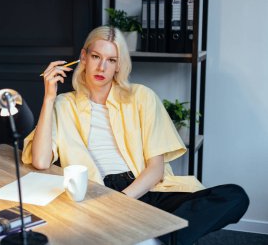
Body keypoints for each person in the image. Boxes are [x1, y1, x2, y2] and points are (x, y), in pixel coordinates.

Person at [21, 26, 249, 245]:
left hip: (145, 186)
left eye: (111, 60)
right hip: (100, 192)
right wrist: (49, 97)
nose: (102, 67)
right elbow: (40, 161)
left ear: (119, 65)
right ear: (83, 57)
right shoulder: (63, 104)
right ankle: (153, 234)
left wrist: (124, 201)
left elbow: (155, 169)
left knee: (235, 196)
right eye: (96, 57)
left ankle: (158, 239)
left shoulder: (142, 97)